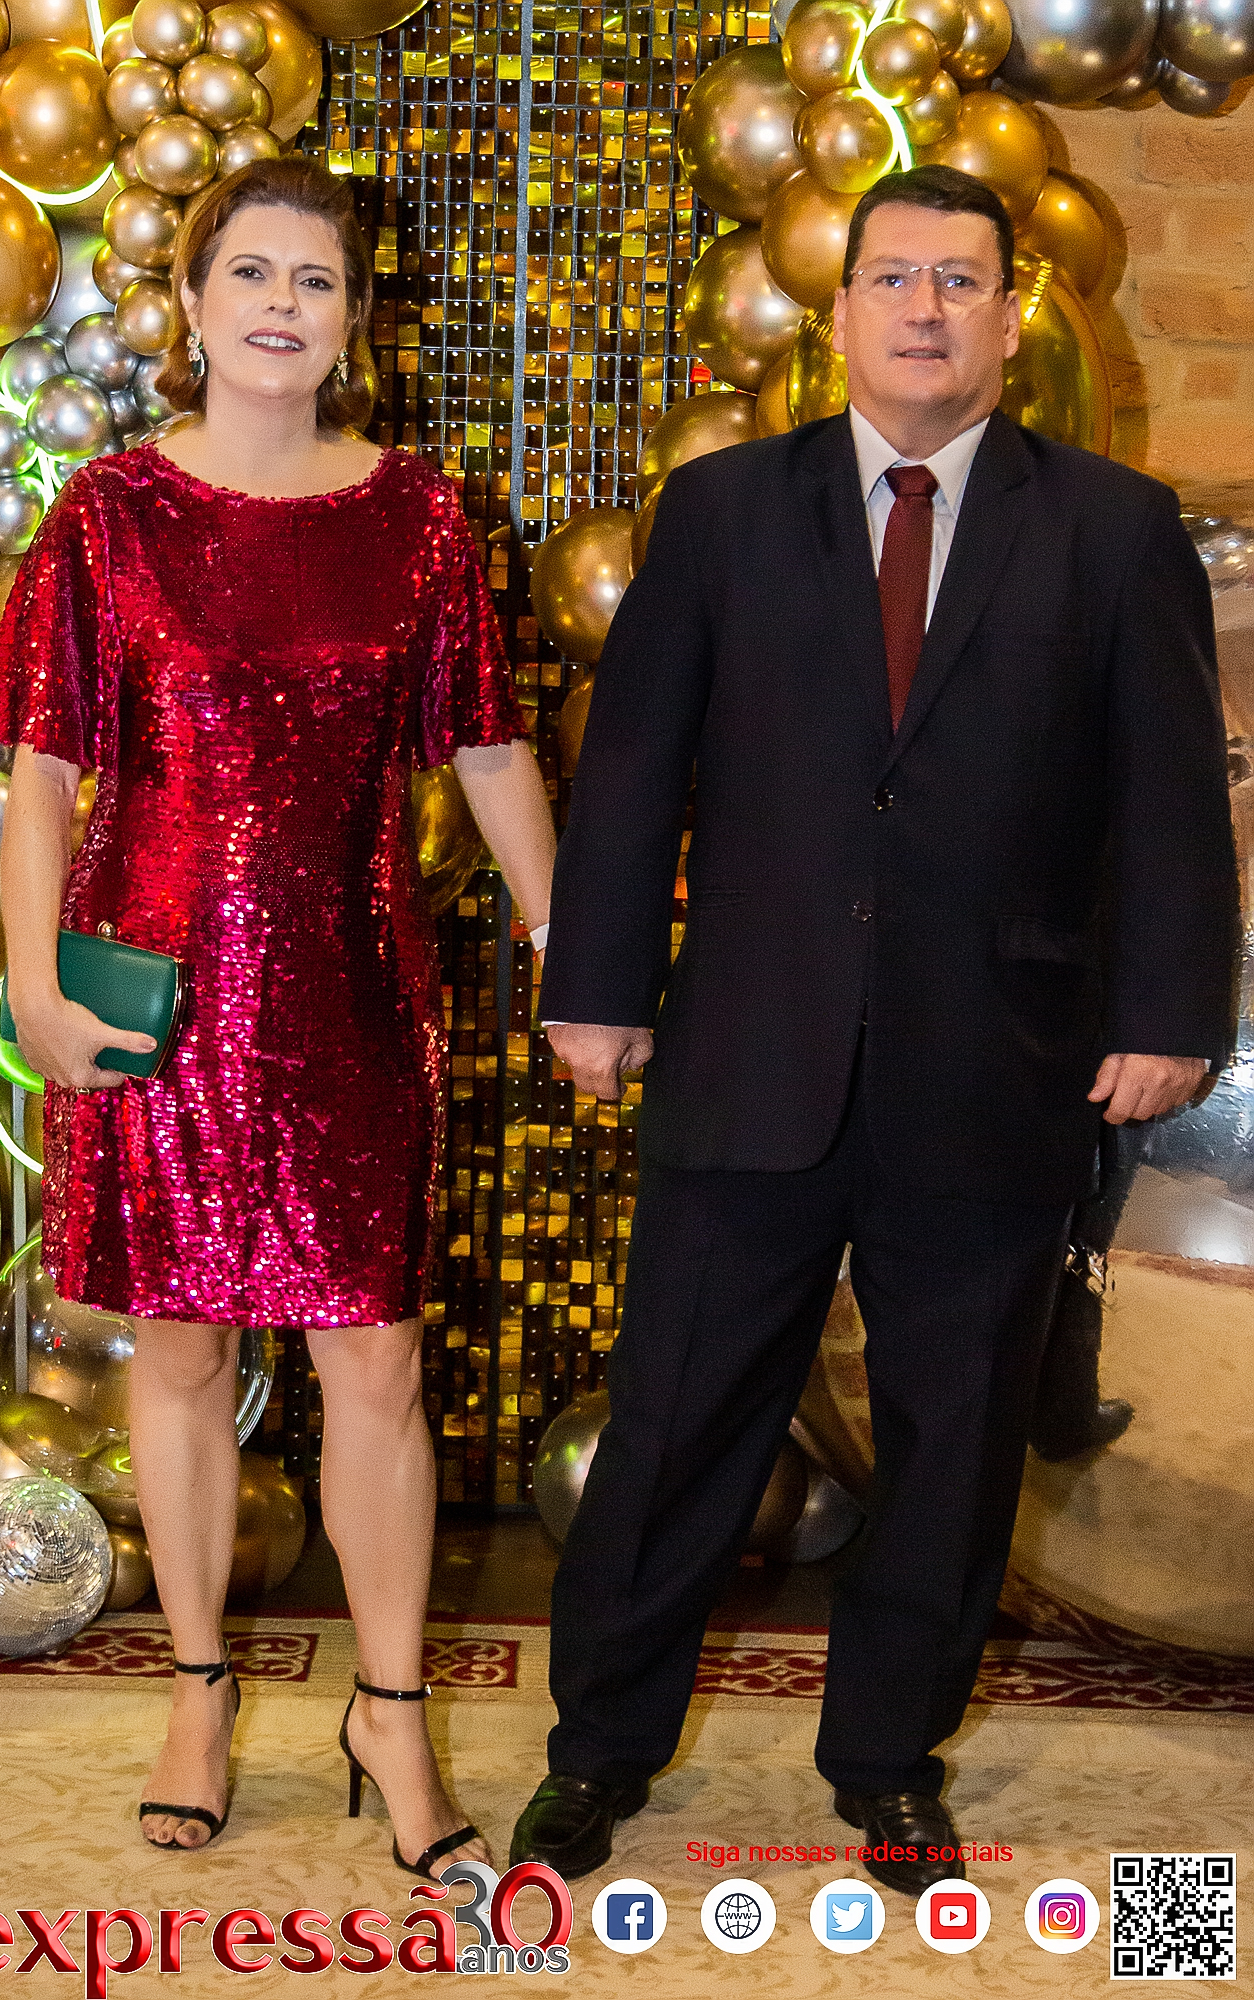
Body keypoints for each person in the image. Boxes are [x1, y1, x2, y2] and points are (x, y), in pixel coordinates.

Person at [512, 164, 1238, 1896]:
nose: (924, 308)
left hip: (997, 1063)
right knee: (676, 1424)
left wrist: (1163, 1014)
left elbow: (1167, 801)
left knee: (952, 1440)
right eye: (893, 277)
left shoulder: (1112, 528)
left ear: (1010, 317)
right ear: (838, 313)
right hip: (745, 1051)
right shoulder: (720, 513)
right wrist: (593, 986)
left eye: (958, 280)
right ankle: (595, 1750)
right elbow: (634, 769)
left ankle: (889, 1765)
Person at [0, 155, 558, 1876]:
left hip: (351, 993)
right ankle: (199, 1688)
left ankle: (390, 1712)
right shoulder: (107, 515)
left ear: (354, 319)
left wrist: (565, 939)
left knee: (374, 1352)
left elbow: (486, 747)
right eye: (249, 272)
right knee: (180, 1348)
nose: (280, 305)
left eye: (315, 279)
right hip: (151, 995)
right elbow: (42, 777)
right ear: (190, 300)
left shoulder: (422, 519)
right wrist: (32, 983)